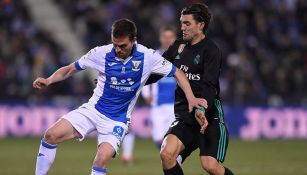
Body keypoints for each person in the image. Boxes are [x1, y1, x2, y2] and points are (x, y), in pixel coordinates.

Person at [33, 18, 207, 175]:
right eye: (115, 44)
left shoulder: (148, 56)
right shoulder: (100, 53)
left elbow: (177, 72)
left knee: (101, 159)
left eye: (122, 46)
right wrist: (48, 80)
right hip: (93, 110)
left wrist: (191, 98)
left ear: (134, 40)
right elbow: (70, 68)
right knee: (50, 135)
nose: (117, 49)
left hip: (117, 121)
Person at [146, 3, 234, 175]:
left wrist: (201, 108)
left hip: (208, 117)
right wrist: (130, 83)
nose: (182, 28)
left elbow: (210, 86)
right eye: (181, 23)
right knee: (166, 154)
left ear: (200, 25)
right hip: (185, 117)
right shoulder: (178, 46)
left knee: (209, 165)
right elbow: (157, 72)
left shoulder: (211, 50)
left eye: (187, 23)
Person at [120, 25, 178, 165]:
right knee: (158, 137)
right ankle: (170, 158)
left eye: (170, 37)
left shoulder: (181, 56)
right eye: (165, 37)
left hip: (176, 105)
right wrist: (146, 94)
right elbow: (145, 76)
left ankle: (173, 161)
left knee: (173, 137)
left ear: (175, 38)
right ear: (160, 38)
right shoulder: (154, 56)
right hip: (157, 104)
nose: (167, 40)